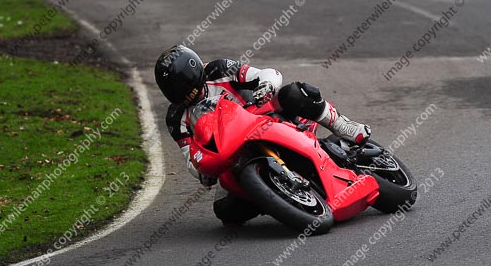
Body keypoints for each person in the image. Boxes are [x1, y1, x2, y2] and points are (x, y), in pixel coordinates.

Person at [154, 45, 371, 225]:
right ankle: (275, 195)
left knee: (293, 93)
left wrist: (266, 86)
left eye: (188, 87)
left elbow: (267, 73)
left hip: (261, 117)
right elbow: (189, 156)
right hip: (232, 154)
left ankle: (344, 126)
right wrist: (202, 171)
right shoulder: (175, 119)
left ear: (196, 73)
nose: (186, 95)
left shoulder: (219, 69)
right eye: (177, 92)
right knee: (226, 211)